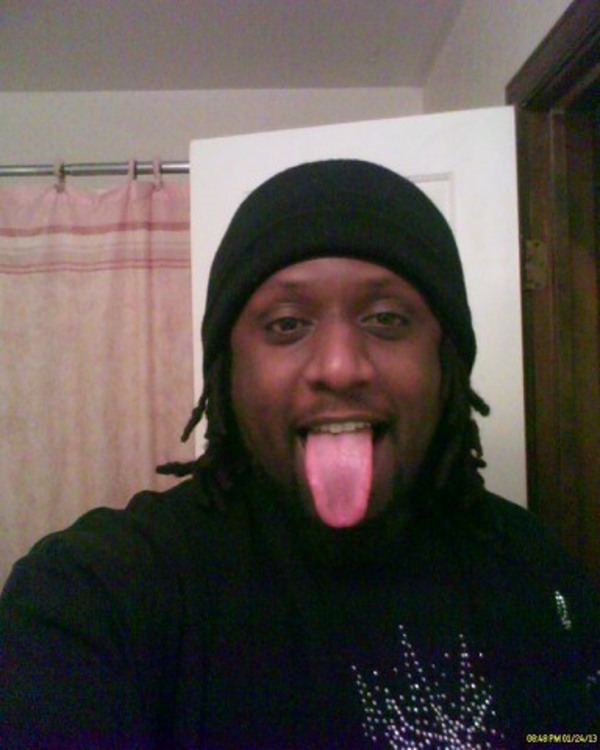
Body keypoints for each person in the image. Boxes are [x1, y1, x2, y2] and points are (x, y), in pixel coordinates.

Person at [0, 159, 598, 749]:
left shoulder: (536, 576)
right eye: (287, 325)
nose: (339, 367)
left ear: (447, 363)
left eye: (387, 318)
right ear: (228, 370)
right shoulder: (98, 592)